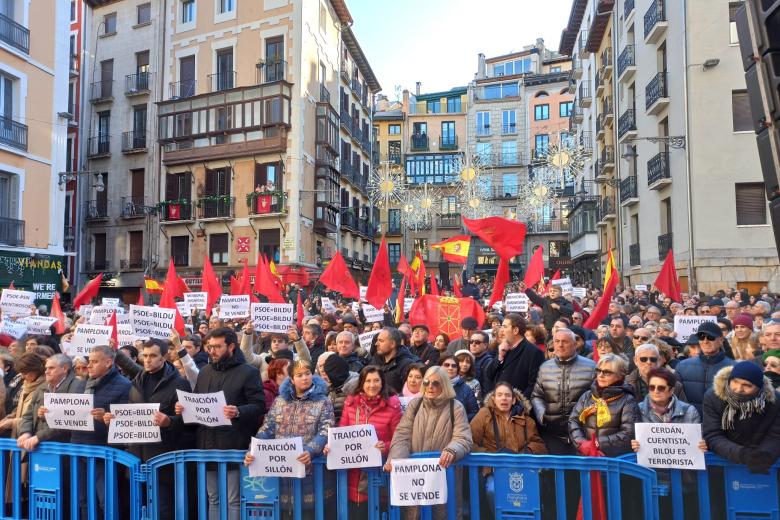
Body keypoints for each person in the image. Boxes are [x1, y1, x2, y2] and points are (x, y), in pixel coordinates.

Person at [167, 327, 265, 520]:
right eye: (210, 346)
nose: (212, 351)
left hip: (234, 446)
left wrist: (238, 411)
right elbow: (197, 403)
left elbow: (259, 406)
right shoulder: (205, 372)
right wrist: (183, 409)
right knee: (213, 499)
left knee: (233, 500)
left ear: (231, 346)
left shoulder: (248, 372)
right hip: (207, 445)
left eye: (218, 347)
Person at [106, 338, 191, 518]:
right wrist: (115, 420)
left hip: (163, 460)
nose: (148, 360)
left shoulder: (180, 384)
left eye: (153, 356)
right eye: (145, 355)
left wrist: (170, 422)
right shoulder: (137, 380)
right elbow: (130, 413)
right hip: (137, 459)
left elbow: (190, 422)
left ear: (164, 357)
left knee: (162, 509)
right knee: (138, 507)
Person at [245, 360, 334, 514]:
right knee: (284, 513)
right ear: (292, 379)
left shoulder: (323, 401)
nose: (305, 378)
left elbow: (326, 430)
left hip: (310, 472)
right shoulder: (280, 401)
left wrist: (310, 451)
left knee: (310, 514)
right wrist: (253, 450)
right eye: (299, 375)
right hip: (281, 476)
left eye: (307, 373)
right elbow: (267, 428)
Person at [385, 365, 473, 520]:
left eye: (436, 383)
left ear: (444, 385)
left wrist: (452, 450)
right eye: (426, 383)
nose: (430, 387)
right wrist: (396, 458)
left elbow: (463, 437)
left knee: (444, 514)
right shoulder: (415, 404)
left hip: (445, 475)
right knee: (414, 514)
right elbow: (402, 435)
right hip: (416, 476)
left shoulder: (456, 407)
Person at [332, 366, 402, 518]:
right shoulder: (350, 404)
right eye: (368, 381)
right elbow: (341, 433)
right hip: (352, 472)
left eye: (376, 380)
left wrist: (385, 446)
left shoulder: (392, 406)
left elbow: (399, 439)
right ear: (361, 383)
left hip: (378, 475)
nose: (372, 385)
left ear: (382, 383)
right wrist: (330, 448)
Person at [470, 381, 547, 510]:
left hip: (522, 471)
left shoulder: (526, 420)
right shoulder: (484, 415)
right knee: (492, 491)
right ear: (494, 399)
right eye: (499, 395)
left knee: (530, 497)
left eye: (507, 395)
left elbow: (540, 445)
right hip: (495, 472)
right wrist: (490, 459)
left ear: (514, 400)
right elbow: (469, 442)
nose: (503, 398)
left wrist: (525, 453)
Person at [703, 361, 780, 473]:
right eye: (735, 382)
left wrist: (764, 455)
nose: (738, 389)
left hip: (764, 460)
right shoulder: (713, 397)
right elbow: (712, 435)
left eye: (747, 385)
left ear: (759, 387)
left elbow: (776, 435)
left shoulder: (775, 401)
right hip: (725, 459)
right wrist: (742, 454)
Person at [532, 329, 596, 454]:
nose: (560, 345)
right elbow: (536, 396)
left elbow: (597, 397)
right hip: (552, 434)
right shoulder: (545, 367)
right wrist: (542, 415)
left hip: (581, 434)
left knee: (578, 473)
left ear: (574, 344)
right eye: (557, 341)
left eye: (565, 342)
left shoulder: (591, 366)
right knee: (553, 472)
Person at [569, 353, 639, 457]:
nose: (601, 375)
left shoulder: (628, 400)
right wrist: (582, 444)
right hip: (585, 456)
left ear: (621, 375)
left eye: (607, 372)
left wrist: (597, 444)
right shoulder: (587, 395)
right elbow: (573, 421)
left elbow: (628, 433)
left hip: (613, 460)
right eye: (598, 370)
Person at [17, 354, 86, 449]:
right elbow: (28, 415)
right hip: (37, 446)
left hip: (63, 449)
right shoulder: (41, 388)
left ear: (65, 369)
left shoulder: (78, 387)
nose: (46, 371)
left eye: (51, 368)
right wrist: (25, 432)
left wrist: (39, 436)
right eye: (46, 368)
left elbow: (69, 420)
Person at [676, 321, 736, 413]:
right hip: (690, 423)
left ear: (721, 340)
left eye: (710, 337)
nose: (705, 341)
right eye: (701, 337)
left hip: (721, 423)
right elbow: (676, 399)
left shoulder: (734, 367)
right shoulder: (682, 366)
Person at [484, 314, 545, 398]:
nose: (501, 331)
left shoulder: (534, 352)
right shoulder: (504, 347)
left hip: (518, 406)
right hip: (498, 403)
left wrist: (519, 405)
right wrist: (500, 357)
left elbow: (534, 385)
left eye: (505, 327)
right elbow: (489, 374)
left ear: (515, 330)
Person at [369, 328, 419, 395]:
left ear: (392, 344)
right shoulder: (375, 360)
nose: (376, 344)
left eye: (381, 341)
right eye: (377, 340)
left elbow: (409, 392)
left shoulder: (407, 365)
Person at [322, 354, 359, 424]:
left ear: (335, 374)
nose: (325, 377)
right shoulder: (330, 389)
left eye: (328, 374)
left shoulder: (356, 389)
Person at [440, 355, 479, 421]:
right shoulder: (432, 385)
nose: (450, 368)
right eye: (447, 365)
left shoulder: (466, 389)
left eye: (454, 366)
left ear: (457, 369)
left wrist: (459, 420)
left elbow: (474, 412)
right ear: (440, 367)